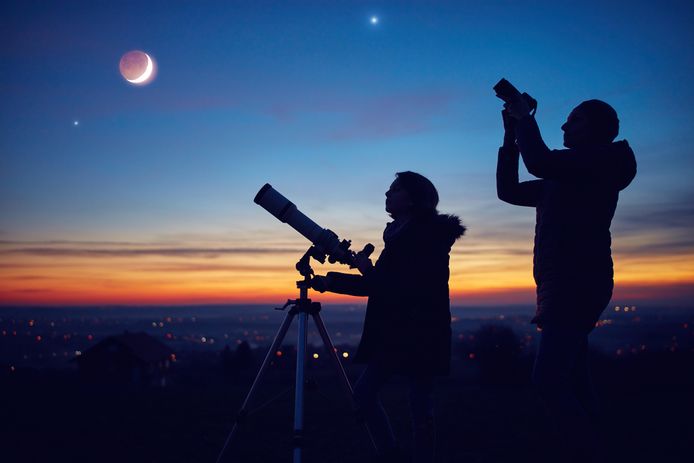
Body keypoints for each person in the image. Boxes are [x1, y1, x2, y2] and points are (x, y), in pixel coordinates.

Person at [497, 94, 637, 462]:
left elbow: (540, 160)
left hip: (577, 281)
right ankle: (596, 444)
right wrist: (511, 138)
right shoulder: (567, 175)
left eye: (573, 120)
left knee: (547, 380)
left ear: (595, 128)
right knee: (574, 376)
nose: (563, 126)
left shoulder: (600, 162)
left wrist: (525, 118)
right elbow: (508, 191)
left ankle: (587, 451)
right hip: (562, 281)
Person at [312, 171, 465, 463]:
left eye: (394, 190)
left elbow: (392, 286)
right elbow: (380, 284)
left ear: (412, 199)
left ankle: (400, 455)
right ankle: (394, 454)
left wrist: (364, 270)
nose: (387, 194)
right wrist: (330, 282)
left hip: (417, 331)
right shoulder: (402, 236)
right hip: (402, 330)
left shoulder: (423, 237)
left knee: (408, 403)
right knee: (386, 398)